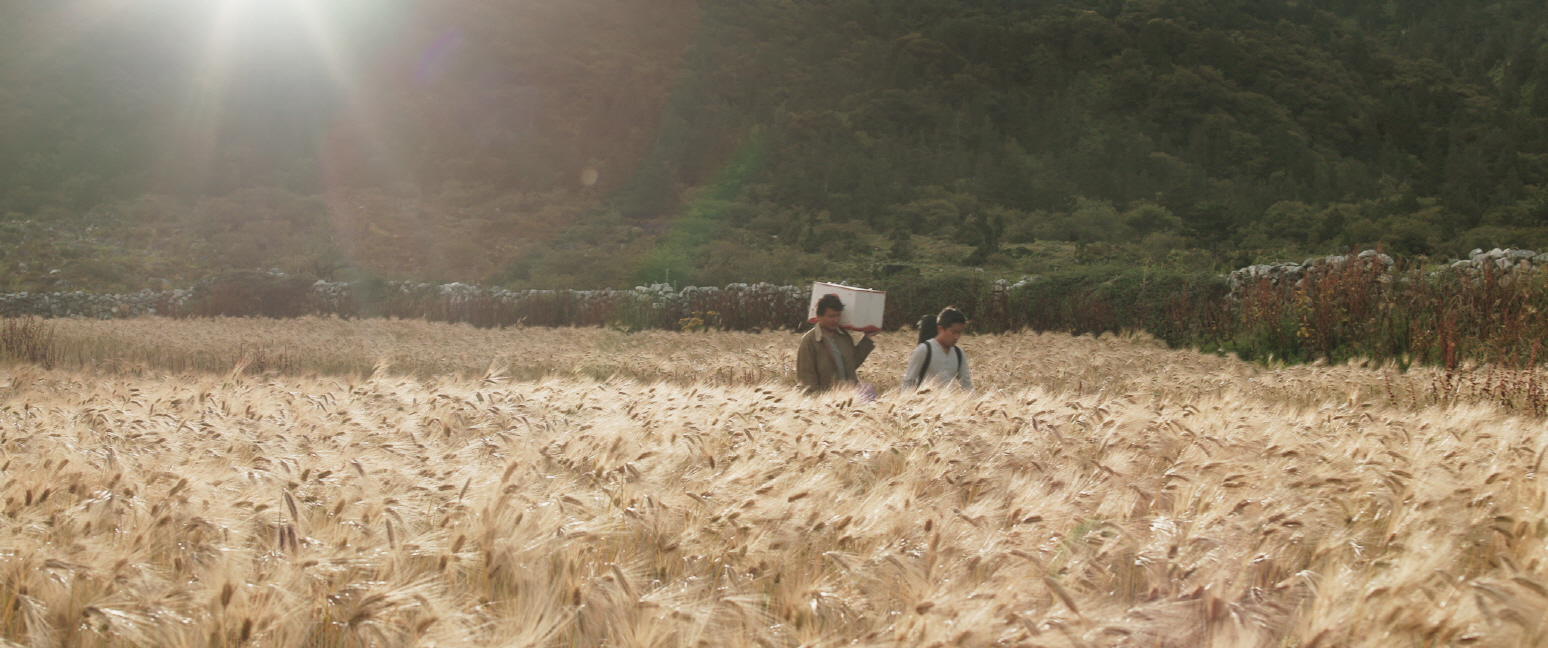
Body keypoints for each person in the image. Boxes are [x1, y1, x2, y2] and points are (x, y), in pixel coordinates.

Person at [797, 293, 876, 393]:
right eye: (831, 316)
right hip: (826, 400)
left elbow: (852, 363)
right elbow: (806, 377)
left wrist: (867, 338)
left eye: (838, 315)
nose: (836, 320)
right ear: (818, 316)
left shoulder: (844, 337)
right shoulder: (809, 341)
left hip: (849, 397)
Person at [901, 306, 972, 392]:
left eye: (959, 332)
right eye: (953, 332)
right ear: (940, 329)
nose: (956, 337)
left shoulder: (959, 354)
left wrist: (973, 403)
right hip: (922, 404)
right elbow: (908, 382)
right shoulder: (924, 350)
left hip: (949, 404)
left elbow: (967, 385)